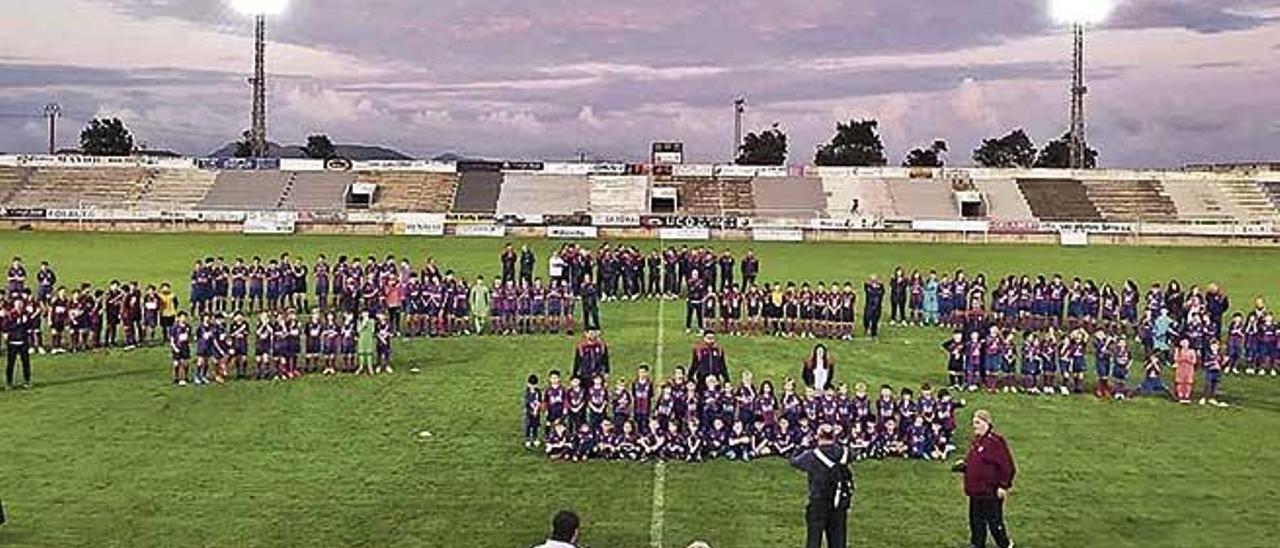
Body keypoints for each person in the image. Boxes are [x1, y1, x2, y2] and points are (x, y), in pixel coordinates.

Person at [951, 409, 1016, 548]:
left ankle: (1005, 544)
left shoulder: (995, 442)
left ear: (986, 423)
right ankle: (977, 544)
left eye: (977, 422)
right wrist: (964, 466)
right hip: (975, 491)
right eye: (974, 422)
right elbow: (976, 462)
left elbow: (1007, 466)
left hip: (990, 491)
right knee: (976, 521)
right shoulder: (977, 440)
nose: (974, 425)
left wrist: (1003, 485)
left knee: (994, 522)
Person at [790, 424, 853, 548]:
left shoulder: (813, 455)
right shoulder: (844, 452)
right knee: (838, 541)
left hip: (818, 501)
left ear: (818, 436)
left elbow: (794, 461)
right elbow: (852, 454)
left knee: (814, 540)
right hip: (839, 501)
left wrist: (802, 445)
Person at [4, 297, 35, 390]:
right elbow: (5, 327)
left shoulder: (26, 314)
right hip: (12, 343)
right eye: (17, 304)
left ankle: (27, 381)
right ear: (14, 305)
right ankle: (9, 383)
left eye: (21, 304)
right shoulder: (10, 315)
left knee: (26, 363)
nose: (19, 306)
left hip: (23, 342)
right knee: (10, 364)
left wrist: (26, 323)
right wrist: (18, 323)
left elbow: (30, 325)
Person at [1173, 338, 1198, 404]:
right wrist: (1181, 359)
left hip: (1189, 368)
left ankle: (1187, 395)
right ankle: (1180, 395)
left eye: (1186, 343)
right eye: (1183, 343)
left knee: (1188, 382)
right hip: (1181, 368)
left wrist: (1188, 360)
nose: (1185, 344)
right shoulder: (1179, 351)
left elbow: (1194, 361)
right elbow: (1175, 359)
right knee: (1180, 382)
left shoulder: (1192, 351)